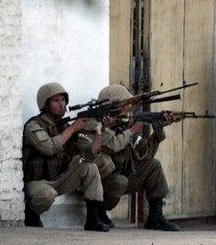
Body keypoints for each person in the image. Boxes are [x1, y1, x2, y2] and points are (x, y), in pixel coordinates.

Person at [22, 82, 109, 232]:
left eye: (63, 100)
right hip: (37, 182)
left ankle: (93, 218)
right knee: (47, 195)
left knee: (89, 166)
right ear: (45, 104)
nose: (62, 104)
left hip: (60, 178)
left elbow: (89, 154)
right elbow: (48, 148)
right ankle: (32, 215)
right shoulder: (33, 126)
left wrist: (99, 132)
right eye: (56, 101)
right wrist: (73, 128)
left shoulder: (66, 126)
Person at [96, 84, 181, 231]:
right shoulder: (99, 124)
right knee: (119, 181)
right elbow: (110, 146)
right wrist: (131, 131)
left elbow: (144, 154)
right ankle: (99, 212)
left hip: (123, 177)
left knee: (153, 165)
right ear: (112, 105)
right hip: (103, 183)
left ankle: (155, 216)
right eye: (125, 103)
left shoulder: (126, 125)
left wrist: (159, 128)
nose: (129, 107)